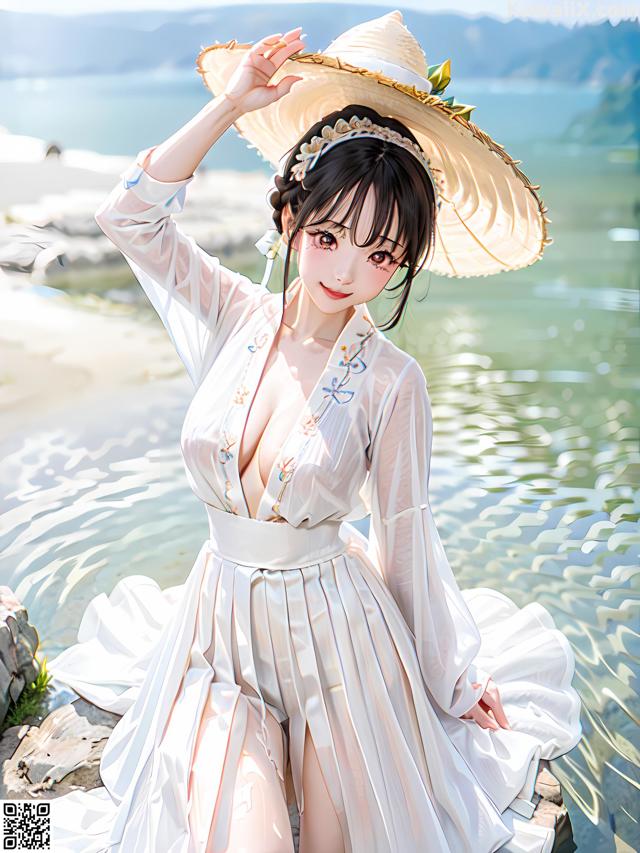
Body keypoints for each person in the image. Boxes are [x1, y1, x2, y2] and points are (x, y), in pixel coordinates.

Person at [48, 12, 582, 853]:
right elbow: (131, 217)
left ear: (404, 261)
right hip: (218, 635)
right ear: (290, 214)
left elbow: (406, 538)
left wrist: (448, 676)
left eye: (380, 255)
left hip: (341, 647)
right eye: (329, 236)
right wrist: (229, 106)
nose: (346, 273)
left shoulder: (393, 383)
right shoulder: (234, 313)